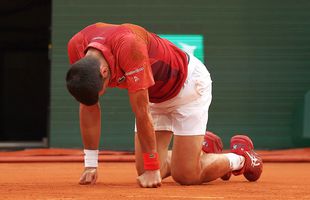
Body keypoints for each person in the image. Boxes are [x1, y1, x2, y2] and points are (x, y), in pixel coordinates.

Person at [66, 22, 263, 188]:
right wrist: (91, 164)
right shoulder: (77, 46)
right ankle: (198, 150)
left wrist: (153, 168)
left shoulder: (129, 45)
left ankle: (241, 158)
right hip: (154, 96)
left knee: (186, 175)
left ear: (103, 71)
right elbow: (88, 106)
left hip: (188, 88)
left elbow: (142, 112)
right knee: (146, 169)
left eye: (103, 89)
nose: (104, 92)